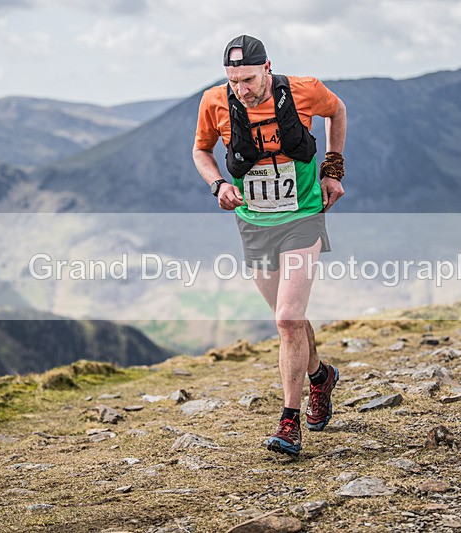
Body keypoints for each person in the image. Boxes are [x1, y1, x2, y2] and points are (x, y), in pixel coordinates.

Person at [192, 35, 347, 456]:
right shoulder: (214, 102)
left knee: (286, 320)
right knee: (289, 318)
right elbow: (201, 151)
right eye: (233, 80)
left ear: (267, 68)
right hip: (254, 222)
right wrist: (217, 184)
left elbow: (338, 111)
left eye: (247, 79)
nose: (241, 89)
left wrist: (333, 168)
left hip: (303, 214)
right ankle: (320, 376)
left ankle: (289, 421)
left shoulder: (304, 89)